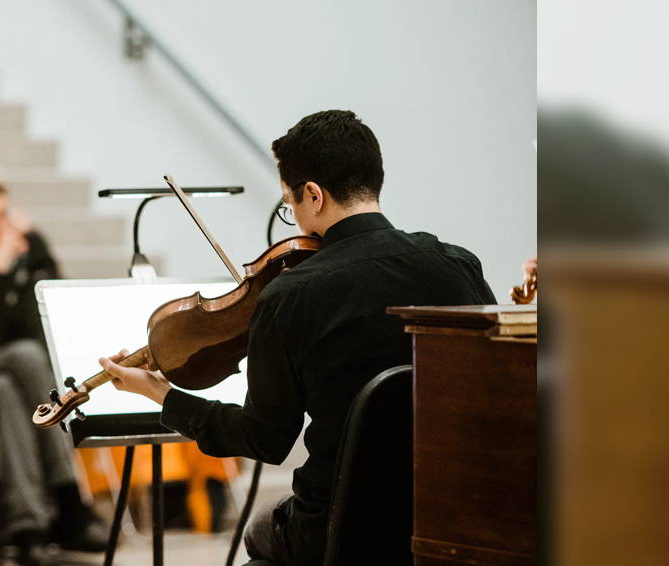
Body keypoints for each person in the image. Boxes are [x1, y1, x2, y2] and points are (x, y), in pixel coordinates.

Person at [97, 110, 496, 565]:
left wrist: (162, 394)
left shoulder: (293, 295)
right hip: (451, 518)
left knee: (260, 529)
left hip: (343, 528)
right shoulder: (459, 265)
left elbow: (264, 439)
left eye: (290, 204)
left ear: (313, 195)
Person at [0, 181, 107, 564]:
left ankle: (27, 528)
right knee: (26, 357)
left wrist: (20, 270)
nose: (1, 228)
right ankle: (69, 499)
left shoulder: (33, 248)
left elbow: (49, 322)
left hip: (13, 379)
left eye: (4, 215)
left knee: (8, 390)